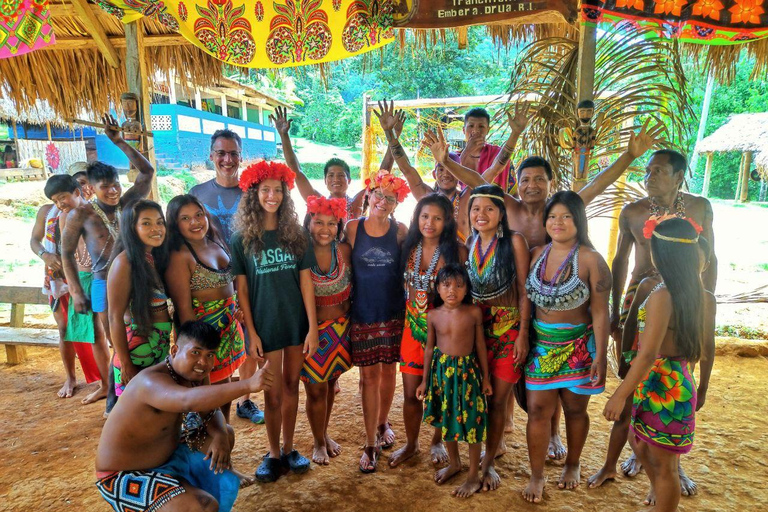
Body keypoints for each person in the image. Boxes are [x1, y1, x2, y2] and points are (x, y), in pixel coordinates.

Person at [426, 119, 661, 458]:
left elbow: (596, 183)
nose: (532, 185)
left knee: (551, 374)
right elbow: (478, 182)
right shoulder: (510, 208)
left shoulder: (559, 210)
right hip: (513, 298)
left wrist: (628, 156)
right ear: (516, 185)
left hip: (552, 301)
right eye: (525, 180)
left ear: (550, 184)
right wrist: (446, 161)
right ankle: (502, 433)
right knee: (502, 376)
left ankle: (553, 435)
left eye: (539, 179)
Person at [609, 149, 716, 482]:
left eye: (658, 171)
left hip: (686, 300)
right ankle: (637, 451)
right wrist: (617, 313)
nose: (649, 177)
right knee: (634, 372)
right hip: (640, 298)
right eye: (647, 171)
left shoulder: (700, 207)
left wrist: (706, 301)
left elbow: (710, 257)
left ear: (679, 175)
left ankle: (671, 461)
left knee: (680, 371)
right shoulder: (633, 212)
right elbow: (620, 263)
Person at [95, 320, 275, 512]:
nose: (203, 362)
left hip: (167, 456)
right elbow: (188, 400)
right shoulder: (149, 382)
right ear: (174, 351)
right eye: (195, 353)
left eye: (210, 355)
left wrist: (220, 433)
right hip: (124, 475)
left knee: (225, 433)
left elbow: (209, 410)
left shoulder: (194, 375)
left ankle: (199, 480)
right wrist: (248, 385)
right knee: (204, 506)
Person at [588, 233, 715, 502]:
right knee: (644, 448)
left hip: (662, 382)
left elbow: (647, 356)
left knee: (665, 467)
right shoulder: (695, 294)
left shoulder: (664, 296)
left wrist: (619, 394)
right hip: (667, 380)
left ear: (663, 255)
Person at [230, 160, 319, 482]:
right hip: (265, 325)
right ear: (254, 193)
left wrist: (312, 327)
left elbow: (307, 282)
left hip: (294, 322)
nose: (272, 196)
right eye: (265, 190)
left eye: (278, 190)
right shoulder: (241, 239)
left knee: (292, 385)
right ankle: (273, 453)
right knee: (271, 392)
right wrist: (249, 333)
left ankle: (290, 446)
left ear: (285, 193)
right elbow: (241, 289)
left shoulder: (295, 235)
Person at [522, 191, 610, 504]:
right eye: (552, 217)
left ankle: (572, 464)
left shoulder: (590, 258)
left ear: (579, 221)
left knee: (575, 410)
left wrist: (600, 354)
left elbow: (600, 311)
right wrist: (522, 336)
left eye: (566, 216)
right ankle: (537, 474)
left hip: (578, 348)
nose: (557, 223)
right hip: (542, 346)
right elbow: (526, 303)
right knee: (537, 411)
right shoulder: (536, 253)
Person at [61, 114, 155, 406]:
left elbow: (147, 172)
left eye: (115, 184)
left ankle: (146, 389)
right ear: (91, 187)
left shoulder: (127, 203)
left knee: (142, 334)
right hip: (102, 282)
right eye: (106, 187)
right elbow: (65, 252)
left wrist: (118, 142)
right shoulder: (82, 214)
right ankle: (117, 399)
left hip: (137, 278)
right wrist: (76, 291)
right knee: (118, 340)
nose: (113, 191)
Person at [189, 128, 264, 425]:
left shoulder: (253, 193)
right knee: (209, 346)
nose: (227, 159)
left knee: (249, 343)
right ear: (211, 156)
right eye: (221, 153)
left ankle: (244, 400)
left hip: (249, 278)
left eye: (233, 153)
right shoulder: (196, 193)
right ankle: (206, 402)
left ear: (241, 157)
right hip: (210, 283)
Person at [459, 184, 531, 491]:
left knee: (499, 401)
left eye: (489, 208)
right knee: (481, 396)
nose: (481, 214)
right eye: (476, 209)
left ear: (501, 213)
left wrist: (523, 335)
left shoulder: (514, 242)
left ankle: (488, 464)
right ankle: (479, 458)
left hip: (509, 329)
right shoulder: (470, 242)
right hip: (476, 331)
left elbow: (526, 291)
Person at [375, 100, 529, 242]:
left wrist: (515, 134)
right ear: (435, 174)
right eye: (441, 169)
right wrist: (390, 134)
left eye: (450, 169)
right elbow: (406, 168)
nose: (446, 174)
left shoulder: (469, 197)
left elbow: (497, 166)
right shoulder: (426, 196)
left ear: (459, 175)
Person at [388, 194, 468, 468]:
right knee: (411, 393)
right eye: (424, 216)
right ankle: (411, 444)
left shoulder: (457, 251)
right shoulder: (407, 246)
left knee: (441, 392)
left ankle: (436, 441)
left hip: (445, 331)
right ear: (416, 218)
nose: (429, 223)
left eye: (437, 217)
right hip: (412, 329)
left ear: (447, 221)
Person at [343, 169, 409, 473]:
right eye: (378, 194)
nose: (383, 201)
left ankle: (383, 423)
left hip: (394, 314)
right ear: (368, 195)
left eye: (390, 197)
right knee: (368, 378)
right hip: (363, 315)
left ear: (397, 202)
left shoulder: (400, 231)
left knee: (387, 373)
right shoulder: (353, 229)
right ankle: (370, 443)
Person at [165, 195, 246, 422]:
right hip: (204, 336)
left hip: (229, 331)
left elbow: (231, 286)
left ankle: (224, 434)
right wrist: (200, 349)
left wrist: (238, 308)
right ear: (175, 224)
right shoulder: (180, 256)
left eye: (199, 214)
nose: (195, 222)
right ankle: (211, 447)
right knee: (209, 395)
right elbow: (184, 311)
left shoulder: (216, 242)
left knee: (225, 390)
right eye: (186, 218)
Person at [416, 264, 491, 498]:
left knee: (472, 422)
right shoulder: (433, 315)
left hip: (468, 375)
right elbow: (429, 349)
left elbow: (480, 346)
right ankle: (455, 463)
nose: (452, 291)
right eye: (446, 285)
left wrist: (486, 378)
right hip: (442, 375)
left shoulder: (473, 313)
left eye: (459, 286)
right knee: (445, 417)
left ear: (466, 288)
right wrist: (424, 381)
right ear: (437, 288)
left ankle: (473, 477)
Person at [30, 174, 101, 399]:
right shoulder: (47, 212)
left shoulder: (90, 211)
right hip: (57, 277)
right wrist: (46, 255)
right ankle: (70, 377)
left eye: (85, 183)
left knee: (96, 328)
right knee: (63, 329)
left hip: (84, 276)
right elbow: (34, 240)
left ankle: (104, 378)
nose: (59, 203)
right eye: (55, 199)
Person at [300, 195, 353, 465]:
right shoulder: (301, 252)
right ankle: (318, 442)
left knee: (331, 383)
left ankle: (324, 432)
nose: (325, 229)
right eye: (318, 222)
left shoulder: (343, 251)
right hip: (313, 333)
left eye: (332, 223)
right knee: (315, 390)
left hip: (341, 330)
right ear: (308, 221)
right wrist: (310, 331)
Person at [107, 200, 173, 404]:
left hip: (156, 348)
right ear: (132, 228)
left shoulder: (152, 258)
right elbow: (115, 317)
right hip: (136, 352)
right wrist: (126, 364)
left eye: (159, 222)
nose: (156, 229)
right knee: (135, 413)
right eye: (146, 223)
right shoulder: (124, 263)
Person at [273, 106, 391, 220]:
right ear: (325, 181)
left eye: (341, 175)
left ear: (349, 180)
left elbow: (381, 177)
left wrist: (392, 136)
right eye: (331, 175)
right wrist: (284, 135)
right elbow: (296, 172)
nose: (336, 179)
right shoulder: (318, 202)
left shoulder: (357, 203)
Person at [449, 107, 529, 194]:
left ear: (488, 130)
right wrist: (467, 151)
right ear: (464, 130)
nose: (475, 131)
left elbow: (513, 194)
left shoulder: (498, 154)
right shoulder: (452, 159)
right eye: (471, 126)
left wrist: (515, 133)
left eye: (481, 126)